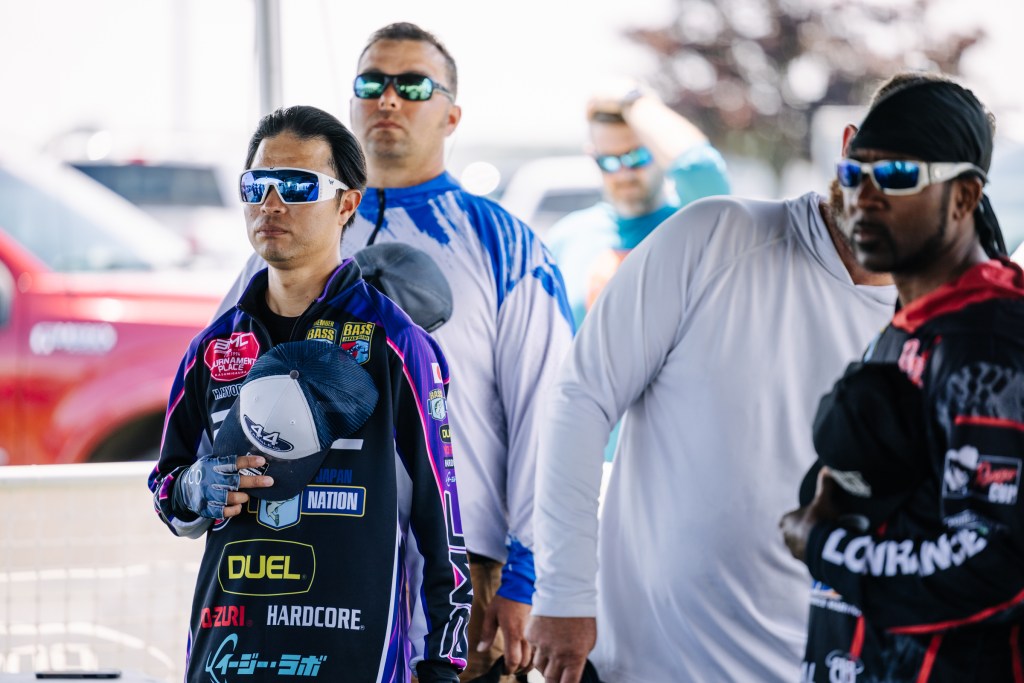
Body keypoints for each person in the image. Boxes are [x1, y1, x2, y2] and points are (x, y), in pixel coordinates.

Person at [216, 23, 574, 680]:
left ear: (451, 115)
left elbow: (548, 414)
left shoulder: (504, 244)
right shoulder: (291, 235)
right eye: (371, 83)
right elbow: (222, 389)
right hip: (312, 562)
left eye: (412, 86)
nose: (388, 98)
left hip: (460, 573)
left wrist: (528, 572)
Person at [524, 91, 902, 680]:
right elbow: (578, 396)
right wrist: (563, 592)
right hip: (648, 651)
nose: (880, 194)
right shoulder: (706, 233)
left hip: (817, 657)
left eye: (910, 178)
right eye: (607, 160)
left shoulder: (944, 321)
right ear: (848, 145)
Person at [148, 105, 470, 682]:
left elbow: (439, 521)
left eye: (297, 186)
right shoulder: (214, 347)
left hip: (355, 655)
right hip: (228, 655)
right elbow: (166, 488)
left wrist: (443, 665)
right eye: (257, 185)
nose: (271, 204)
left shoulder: (396, 344)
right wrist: (195, 487)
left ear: (347, 204)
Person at [780, 75, 1024, 682]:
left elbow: (996, 562)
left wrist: (824, 546)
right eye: (853, 172)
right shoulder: (913, 324)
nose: (864, 197)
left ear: (964, 197)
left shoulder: (989, 344)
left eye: (896, 176)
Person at [544, 82, 731, 329]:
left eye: (637, 156)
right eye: (609, 161)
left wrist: (634, 101)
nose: (624, 173)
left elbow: (699, 167)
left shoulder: (694, 223)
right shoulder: (566, 237)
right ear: (592, 156)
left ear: (659, 150)